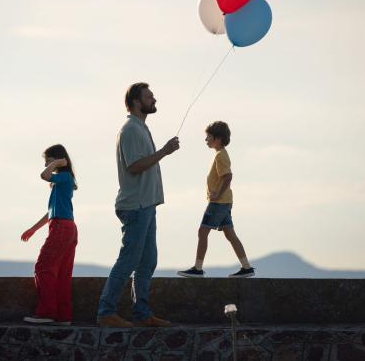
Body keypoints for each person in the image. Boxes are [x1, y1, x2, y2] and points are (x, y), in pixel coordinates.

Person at [96, 82, 180, 328]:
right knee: (129, 261)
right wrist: (164, 151)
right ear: (136, 102)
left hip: (147, 205)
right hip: (135, 206)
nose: (154, 99)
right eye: (149, 96)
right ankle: (106, 311)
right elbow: (134, 166)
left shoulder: (141, 127)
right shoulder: (131, 129)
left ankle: (142, 314)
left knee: (147, 261)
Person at [177, 121, 255, 278]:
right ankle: (246, 267)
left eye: (208, 137)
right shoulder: (221, 155)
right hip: (225, 202)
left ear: (218, 139)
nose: (206, 140)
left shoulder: (220, 156)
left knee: (203, 231)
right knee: (230, 234)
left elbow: (228, 176)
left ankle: (198, 269)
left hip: (218, 203)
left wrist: (218, 195)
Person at [21, 144, 79, 325]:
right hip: (66, 227)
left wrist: (59, 163)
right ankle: (63, 315)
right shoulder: (62, 181)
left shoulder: (63, 176)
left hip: (61, 227)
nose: (46, 164)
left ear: (58, 159)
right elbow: (50, 213)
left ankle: (47, 312)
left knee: (43, 268)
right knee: (62, 272)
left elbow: (44, 175)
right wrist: (33, 229)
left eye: (48, 160)